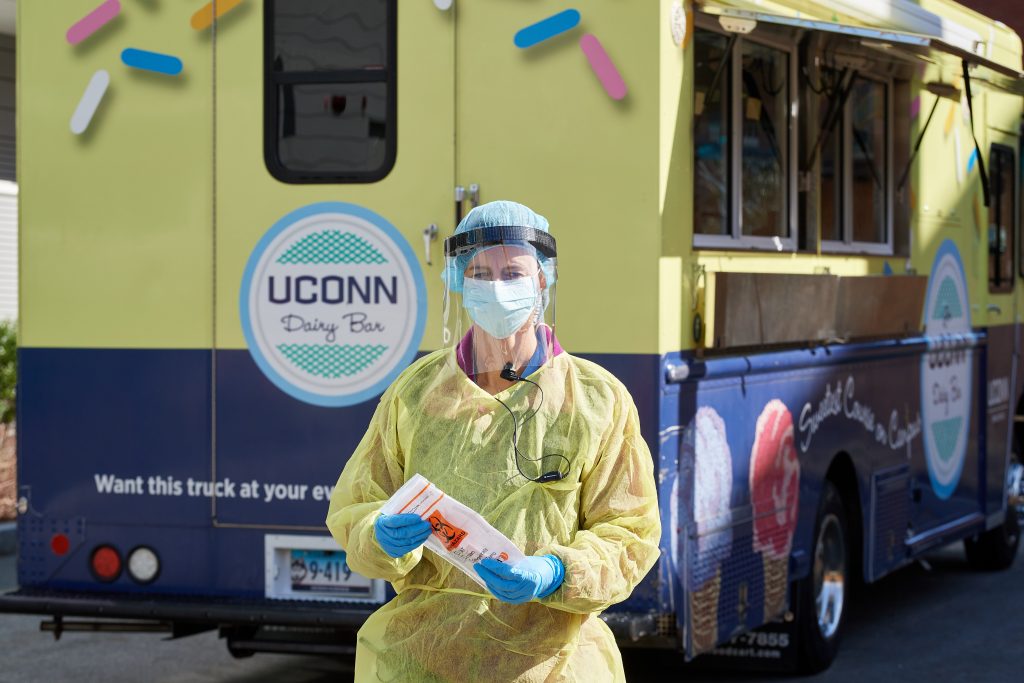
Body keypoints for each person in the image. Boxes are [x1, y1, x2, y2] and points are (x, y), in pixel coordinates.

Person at [326, 200, 661, 682]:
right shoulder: (416, 392)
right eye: (481, 272)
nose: (497, 287)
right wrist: (379, 531)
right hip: (421, 662)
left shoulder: (596, 399)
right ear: (459, 282)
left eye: (513, 272)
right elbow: (355, 505)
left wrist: (554, 571)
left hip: (552, 665)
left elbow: (630, 533)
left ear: (543, 280)